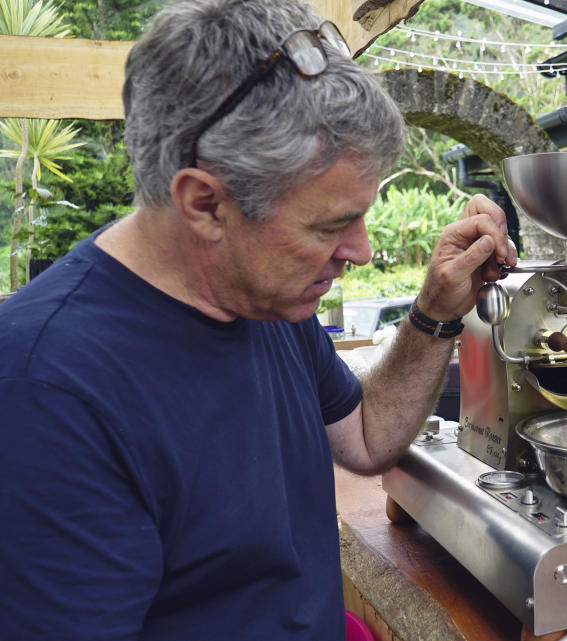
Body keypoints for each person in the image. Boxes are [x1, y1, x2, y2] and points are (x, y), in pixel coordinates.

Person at [0, 1, 516, 639]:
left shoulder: (266, 297)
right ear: (205, 203)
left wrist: (438, 309)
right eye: (331, 224)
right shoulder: (46, 393)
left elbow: (365, 436)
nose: (361, 251)